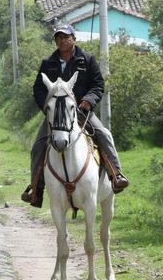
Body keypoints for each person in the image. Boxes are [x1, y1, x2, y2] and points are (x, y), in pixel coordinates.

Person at [20, 23, 129, 207]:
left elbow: (98, 85)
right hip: (55, 117)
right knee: (38, 146)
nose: (63, 40)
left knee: (103, 134)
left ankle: (115, 174)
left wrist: (88, 100)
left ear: (74, 39)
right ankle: (35, 188)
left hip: (82, 112)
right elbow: (38, 89)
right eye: (59, 37)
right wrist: (49, 109)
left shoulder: (87, 60)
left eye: (66, 37)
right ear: (55, 41)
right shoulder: (48, 64)